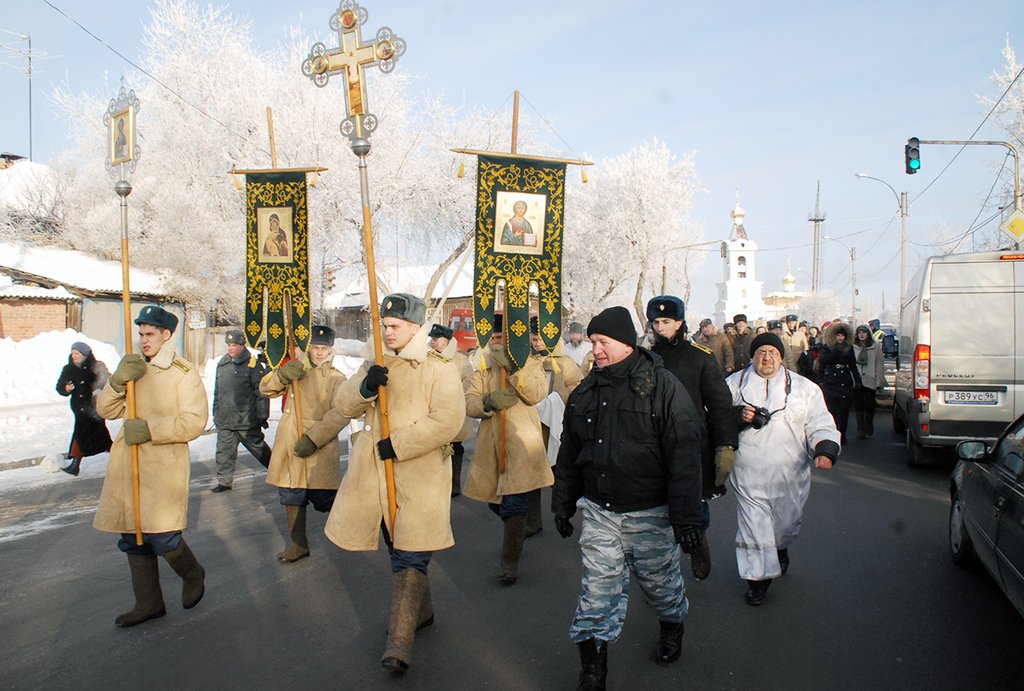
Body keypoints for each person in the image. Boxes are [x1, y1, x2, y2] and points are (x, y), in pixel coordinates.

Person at [552, 306, 704, 689]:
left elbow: (684, 454)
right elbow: (569, 453)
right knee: (596, 592)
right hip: (601, 513)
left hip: (651, 513)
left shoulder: (662, 387)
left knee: (660, 585)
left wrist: (687, 519)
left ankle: (672, 625)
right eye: (592, 342)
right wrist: (563, 503)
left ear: (623, 342)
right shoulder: (586, 391)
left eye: (602, 342)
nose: (596, 350)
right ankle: (593, 670)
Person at [324, 294, 466, 673]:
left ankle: (399, 642)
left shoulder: (439, 368)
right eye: (384, 326)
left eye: (394, 326)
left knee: (410, 551)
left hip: (419, 475)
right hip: (376, 477)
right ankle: (422, 611)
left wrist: (398, 444)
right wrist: (366, 388)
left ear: (415, 327)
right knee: (396, 542)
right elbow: (342, 404)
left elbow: (448, 421)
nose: (386, 332)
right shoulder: (377, 362)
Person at [94, 305, 208, 628]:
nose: (143, 341)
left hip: (162, 467)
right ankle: (148, 602)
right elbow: (106, 410)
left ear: (167, 335)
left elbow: (194, 421)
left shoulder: (183, 373)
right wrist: (117, 381)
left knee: (164, 536)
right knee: (132, 536)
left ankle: (192, 572)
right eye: (140, 334)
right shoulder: (133, 369)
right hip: (128, 466)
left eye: (150, 334)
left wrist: (150, 428)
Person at [726, 332, 840, 606]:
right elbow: (713, 418)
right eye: (760, 353)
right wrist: (737, 416)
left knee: (784, 525)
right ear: (752, 357)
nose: (766, 358)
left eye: (772, 353)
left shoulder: (804, 389)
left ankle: (780, 547)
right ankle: (757, 580)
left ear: (781, 356)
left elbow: (820, 422)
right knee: (753, 526)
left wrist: (825, 448)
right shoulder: (733, 385)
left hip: (790, 473)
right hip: (748, 470)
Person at [647, 296, 738, 580]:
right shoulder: (645, 359)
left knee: (694, 500)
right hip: (653, 442)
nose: (660, 327)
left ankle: (697, 540)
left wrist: (725, 445)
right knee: (655, 501)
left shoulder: (700, 357)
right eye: (656, 322)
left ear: (679, 323)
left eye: (667, 322)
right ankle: (663, 562)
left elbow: (721, 404)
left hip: (691, 442)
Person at [465, 313, 551, 585]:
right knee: (495, 500)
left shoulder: (530, 362)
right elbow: (469, 402)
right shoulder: (482, 367)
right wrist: (488, 402)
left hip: (521, 444)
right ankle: (520, 524)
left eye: (500, 337)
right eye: (492, 338)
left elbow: (537, 393)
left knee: (514, 502)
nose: (495, 342)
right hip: (491, 445)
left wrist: (514, 371)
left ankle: (508, 563)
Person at [260, 325, 350, 563]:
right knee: (291, 494)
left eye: (324, 348)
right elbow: (265, 390)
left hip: (318, 446)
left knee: (323, 499)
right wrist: (281, 376)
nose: (319, 353)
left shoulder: (336, 378)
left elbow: (341, 413)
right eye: (315, 347)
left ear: (331, 349)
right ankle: (298, 545)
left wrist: (314, 439)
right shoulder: (295, 369)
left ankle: (355, 522)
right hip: (290, 443)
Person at [526, 318, 584, 537]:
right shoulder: (527, 361)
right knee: (531, 478)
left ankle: (563, 513)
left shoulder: (566, 363)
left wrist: (557, 400)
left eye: (541, 338)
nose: (538, 343)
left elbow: (578, 392)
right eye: (533, 339)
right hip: (531, 430)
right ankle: (532, 521)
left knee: (558, 476)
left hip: (557, 428)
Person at [211, 330, 271, 492]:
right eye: (229, 345)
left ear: (242, 346)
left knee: (260, 451)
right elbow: (218, 392)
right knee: (224, 452)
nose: (231, 348)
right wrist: (216, 412)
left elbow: (261, 392)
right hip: (226, 419)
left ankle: (277, 472)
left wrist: (262, 415)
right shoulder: (222, 364)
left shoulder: (252, 365)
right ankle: (224, 481)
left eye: (234, 345)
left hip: (246, 420)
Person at [428, 322, 475, 496]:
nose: (433, 342)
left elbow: (469, 381)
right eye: (432, 338)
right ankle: (436, 484)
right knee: (433, 448)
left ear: (447, 340)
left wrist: (454, 396)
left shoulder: (460, 359)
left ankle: (454, 484)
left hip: (454, 410)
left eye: (436, 339)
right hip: (431, 410)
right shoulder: (426, 357)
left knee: (455, 447)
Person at [56, 341, 112, 476]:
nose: (74, 356)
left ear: (85, 354)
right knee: (86, 434)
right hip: (79, 408)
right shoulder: (68, 369)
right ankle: (75, 465)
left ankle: (75, 465)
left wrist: (98, 391)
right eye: (73, 353)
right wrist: (65, 388)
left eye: (77, 353)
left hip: (93, 408)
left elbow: (109, 381)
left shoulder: (97, 366)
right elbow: (59, 386)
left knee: (94, 434)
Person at [815, 322, 861, 444]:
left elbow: (853, 366)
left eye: (842, 336)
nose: (840, 338)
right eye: (838, 335)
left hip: (845, 382)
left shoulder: (848, 348)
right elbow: (823, 363)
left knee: (844, 411)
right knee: (833, 411)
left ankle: (842, 433)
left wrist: (858, 381)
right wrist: (820, 381)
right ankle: (833, 434)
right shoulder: (827, 347)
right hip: (831, 382)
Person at [852, 325, 885, 438]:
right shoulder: (853, 346)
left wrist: (879, 381)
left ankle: (869, 424)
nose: (861, 335)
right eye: (859, 332)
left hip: (870, 379)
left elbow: (879, 364)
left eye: (864, 332)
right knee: (858, 405)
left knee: (870, 405)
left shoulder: (875, 346)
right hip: (856, 380)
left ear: (868, 334)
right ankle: (861, 429)